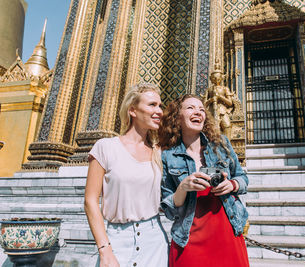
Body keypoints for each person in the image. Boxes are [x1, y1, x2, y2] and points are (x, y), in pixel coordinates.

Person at [159, 94, 249, 267]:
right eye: (191, 108)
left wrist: (231, 184)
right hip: (189, 237)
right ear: (177, 116)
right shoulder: (168, 155)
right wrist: (183, 188)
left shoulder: (221, 144)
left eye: (201, 109)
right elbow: (168, 207)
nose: (198, 112)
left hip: (227, 231)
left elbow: (242, 178)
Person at [84, 84, 168, 267]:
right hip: (116, 240)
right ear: (133, 110)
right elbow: (90, 201)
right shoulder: (105, 147)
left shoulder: (159, 152)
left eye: (160, 106)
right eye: (152, 105)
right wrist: (105, 250)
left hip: (154, 241)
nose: (159, 111)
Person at [203, 65, 234, 139]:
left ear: (221, 78)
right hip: (212, 110)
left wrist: (220, 97)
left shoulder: (225, 89)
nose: (216, 80)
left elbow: (230, 103)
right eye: (214, 78)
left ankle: (227, 144)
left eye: (218, 78)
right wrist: (211, 100)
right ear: (211, 79)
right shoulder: (209, 90)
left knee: (227, 125)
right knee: (211, 128)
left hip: (222, 110)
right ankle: (212, 145)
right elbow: (204, 104)